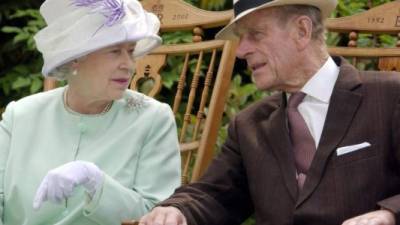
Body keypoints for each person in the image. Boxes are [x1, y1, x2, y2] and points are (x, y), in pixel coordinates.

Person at [138, 0, 400, 225]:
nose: (241, 50)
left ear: (302, 30)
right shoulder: (249, 125)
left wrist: (389, 214)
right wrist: (176, 210)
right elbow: (215, 194)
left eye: (255, 34)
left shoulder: (389, 96)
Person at [0, 0, 181, 224]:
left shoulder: (153, 119)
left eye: (131, 52)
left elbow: (157, 213)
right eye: (115, 51)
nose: (129, 64)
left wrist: (97, 184)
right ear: (75, 57)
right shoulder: (20, 116)